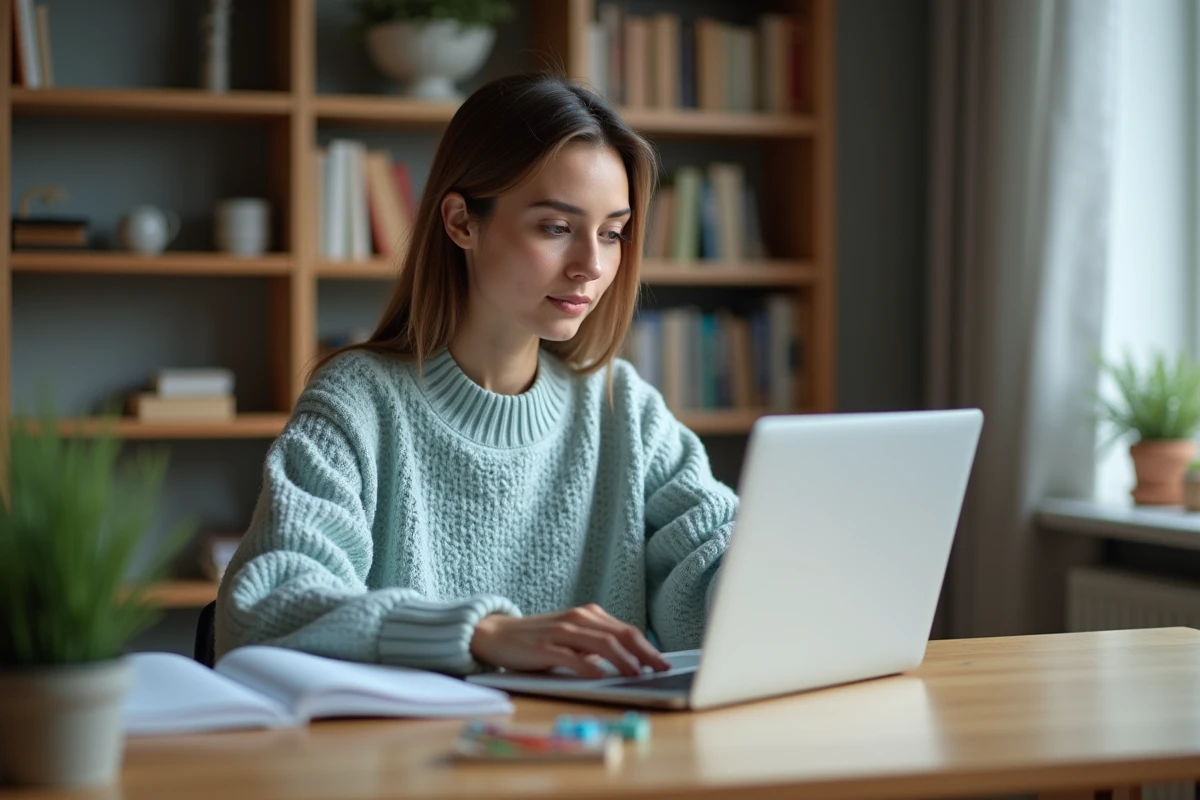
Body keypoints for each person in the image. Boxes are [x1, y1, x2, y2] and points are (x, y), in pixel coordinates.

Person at [215, 73, 738, 678]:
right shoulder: (358, 403)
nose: (592, 266)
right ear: (462, 221)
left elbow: (708, 581)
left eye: (613, 233)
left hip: (602, 758)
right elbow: (263, 611)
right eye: (556, 227)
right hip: (412, 764)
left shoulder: (624, 407)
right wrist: (480, 635)